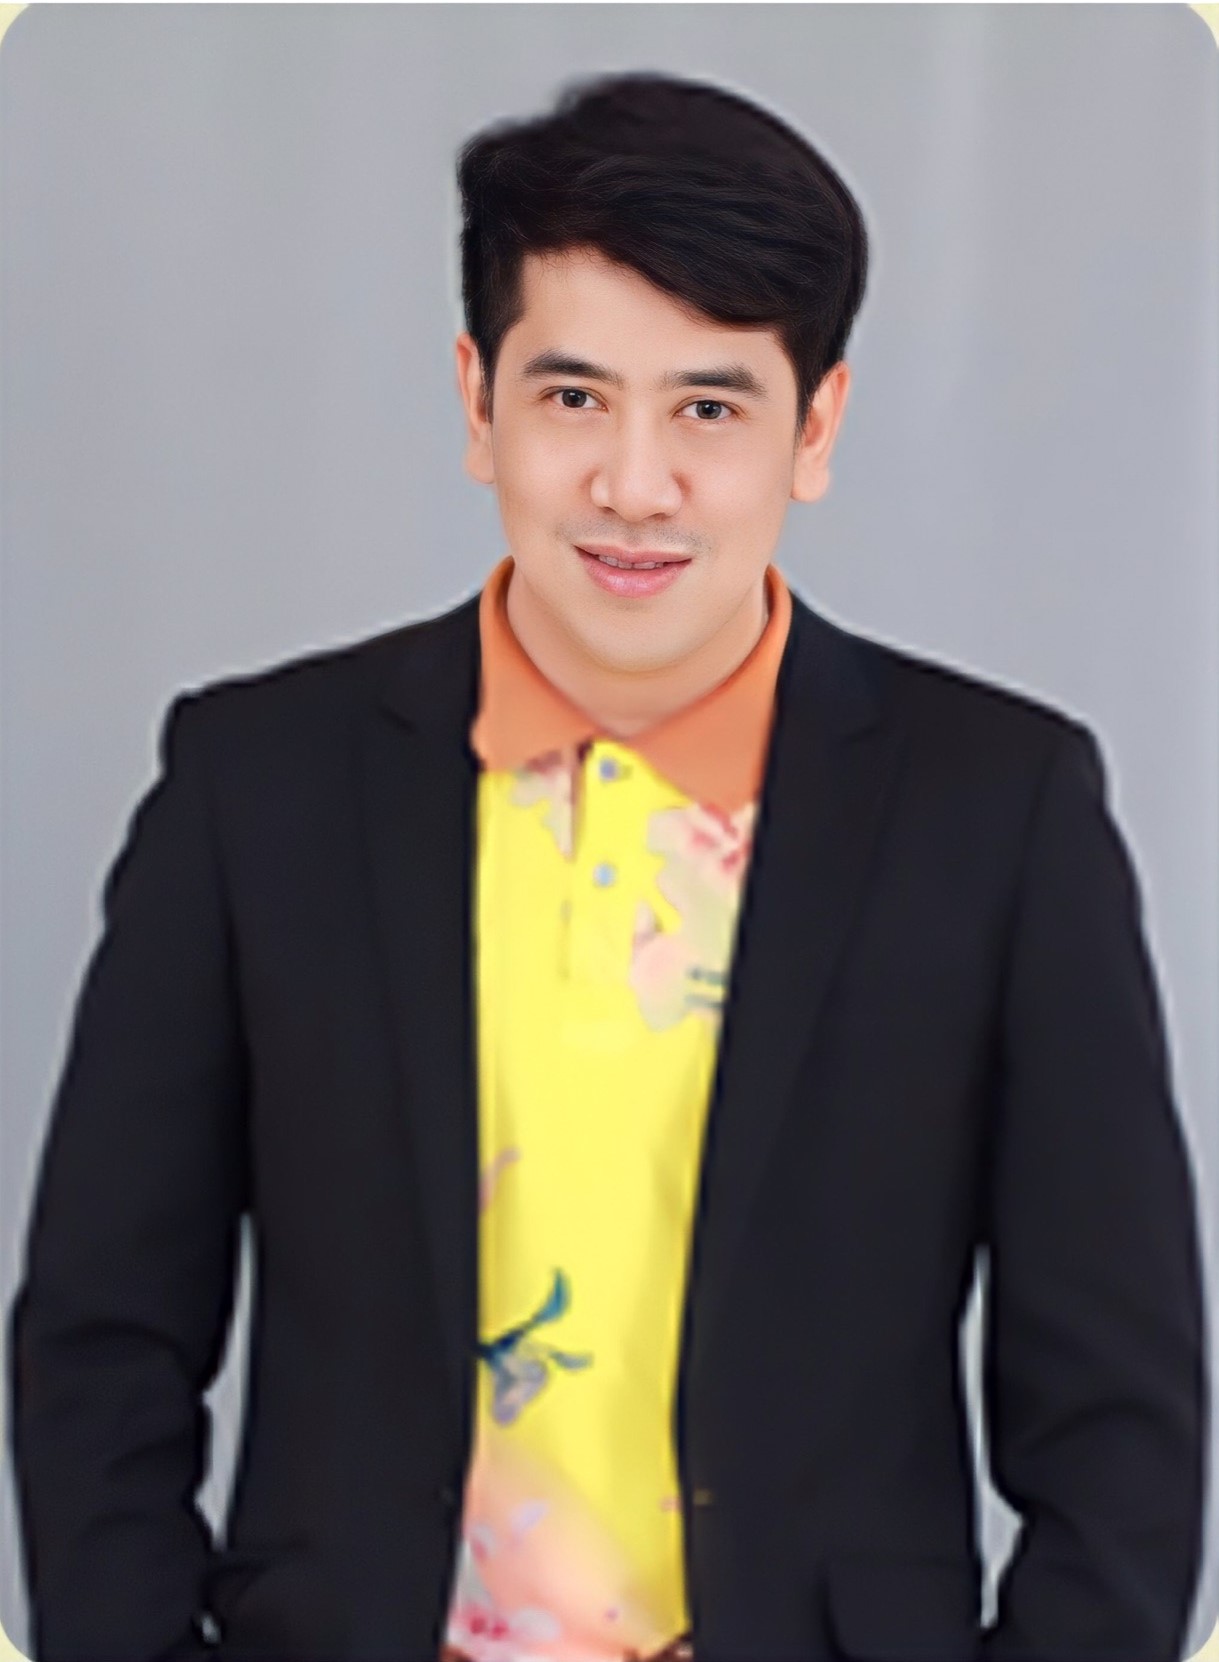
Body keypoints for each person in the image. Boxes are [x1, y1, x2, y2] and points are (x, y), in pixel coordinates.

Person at [5, 68, 1209, 1662]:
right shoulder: (259, 785)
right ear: (477, 403)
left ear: (816, 428)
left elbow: (1121, 1421)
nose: (635, 484)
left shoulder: (998, 809)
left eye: (710, 408)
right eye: (573, 398)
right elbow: (101, 1337)